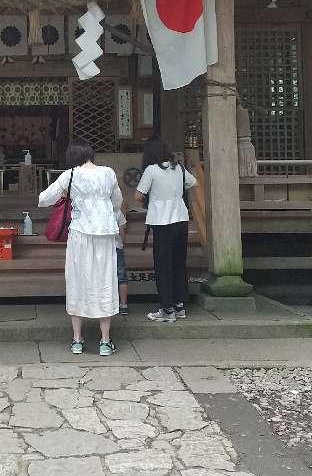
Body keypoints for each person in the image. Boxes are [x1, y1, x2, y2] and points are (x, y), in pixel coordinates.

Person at [39, 138, 123, 355]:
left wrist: (67, 194)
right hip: (105, 235)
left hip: (80, 235)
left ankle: (77, 340)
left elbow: (44, 199)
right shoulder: (108, 173)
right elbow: (117, 202)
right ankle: (105, 341)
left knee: (77, 281)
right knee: (105, 282)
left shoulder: (71, 175)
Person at [135, 136, 197, 323]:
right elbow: (194, 183)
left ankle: (166, 308)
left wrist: (154, 197)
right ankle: (178, 305)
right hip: (181, 218)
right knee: (179, 263)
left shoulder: (151, 170)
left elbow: (138, 195)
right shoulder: (178, 167)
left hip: (162, 221)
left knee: (163, 265)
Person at [115, 203, 129, 317]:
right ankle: (123, 304)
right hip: (117, 247)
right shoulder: (117, 212)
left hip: (102, 249)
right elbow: (122, 233)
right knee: (121, 276)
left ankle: (107, 304)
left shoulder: (97, 211)